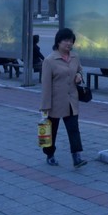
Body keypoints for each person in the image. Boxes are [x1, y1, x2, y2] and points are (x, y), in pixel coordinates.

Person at [40, 28, 88, 168]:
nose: (69, 43)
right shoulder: (49, 60)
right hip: (55, 102)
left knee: (74, 129)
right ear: (58, 42)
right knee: (52, 130)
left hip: (71, 101)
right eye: (66, 40)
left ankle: (76, 157)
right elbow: (46, 85)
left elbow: (80, 70)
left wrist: (79, 76)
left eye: (71, 41)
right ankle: (50, 155)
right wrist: (45, 107)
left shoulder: (75, 57)